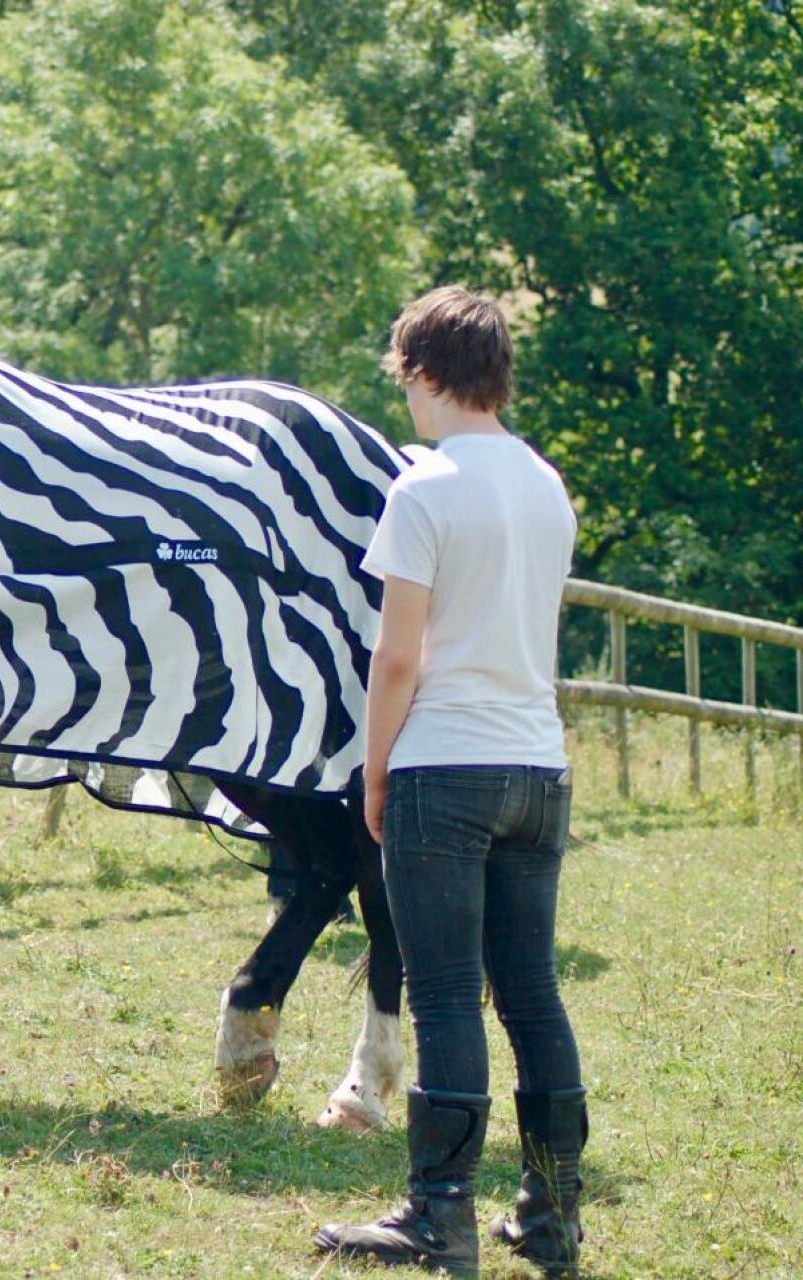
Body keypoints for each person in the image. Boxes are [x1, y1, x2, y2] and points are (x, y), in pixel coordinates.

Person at [316, 287, 585, 1276]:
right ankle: (552, 1218)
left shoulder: (424, 487)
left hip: (447, 763)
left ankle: (438, 1214)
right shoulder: (547, 485)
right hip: (538, 765)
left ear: (425, 372)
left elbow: (399, 659)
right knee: (532, 992)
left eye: (406, 383)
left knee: (441, 995)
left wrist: (375, 769)